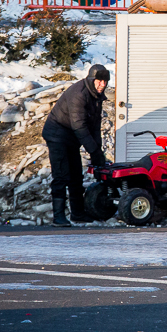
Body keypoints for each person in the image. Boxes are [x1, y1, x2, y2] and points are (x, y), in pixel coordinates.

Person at [42, 64, 110, 226]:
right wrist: (93, 152)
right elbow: (79, 126)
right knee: (61, 175)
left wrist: (98, 151)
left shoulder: (96, 95)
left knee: (76, 175)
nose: (102, 84)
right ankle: (58, 216)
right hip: (57, 134)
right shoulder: (78, 95)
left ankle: (77, 213)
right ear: (91, 79)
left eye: (105, 81)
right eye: (99, 81)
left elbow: (94, 126)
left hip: (71, 136)